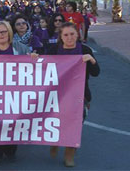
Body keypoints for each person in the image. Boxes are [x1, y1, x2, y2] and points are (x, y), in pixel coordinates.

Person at [0, 21, 37, 167]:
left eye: (4, 32)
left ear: (9, 33)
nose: (1, 35)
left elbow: (34, 67)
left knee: (13, 122)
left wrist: (34, 59)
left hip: (15, 93)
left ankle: (11, 151)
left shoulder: (21, 48)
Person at [47, 22, 100, 167]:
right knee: (57, 123)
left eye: (72, 34)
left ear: (77, 35)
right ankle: (55, 143)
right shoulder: (53, 50)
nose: (69, 37)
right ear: (61, 37)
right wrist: (34, 57)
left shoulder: (84, 50)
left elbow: (96, 73)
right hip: (57, 95)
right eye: (66, 35)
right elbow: (41, 68)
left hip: (80, 95)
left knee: (74, 126)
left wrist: (92, 60)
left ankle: (69, 155)